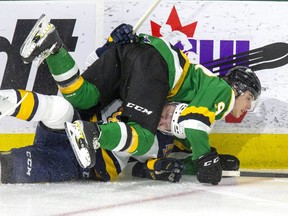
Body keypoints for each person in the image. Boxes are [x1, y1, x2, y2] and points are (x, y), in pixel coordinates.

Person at [19, 14, 259, 185]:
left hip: (134, 48)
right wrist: (206, 158)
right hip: (155, 63)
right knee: (142, 137)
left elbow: (183, 145)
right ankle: (93, 133)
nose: (248, 107)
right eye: (249, 98)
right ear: (236, 88)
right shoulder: (223, 94)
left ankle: (54, 47)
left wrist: (206, 158)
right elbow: (195, 124)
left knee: (83, 96)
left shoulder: (195, 99)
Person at [0, 89, 185, 183]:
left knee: (10, 166)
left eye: (167, 126)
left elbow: (138, 168)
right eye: (169, 114)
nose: (163, 120)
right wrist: (115, 44)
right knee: (60, 108)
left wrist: (158, 167)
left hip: (81, 162)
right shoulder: (145, 91)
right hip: (75, 127)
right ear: (171, 102)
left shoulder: (158, 142)